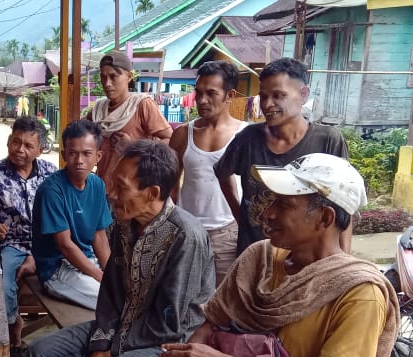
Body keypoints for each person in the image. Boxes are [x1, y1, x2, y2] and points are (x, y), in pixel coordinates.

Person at [91, 153, 398, 357]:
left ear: (325, 219)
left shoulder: (359, 295)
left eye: (285, 205)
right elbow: (209, 328)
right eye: (272, 201)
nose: (269, 213)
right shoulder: (260, 258)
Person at [27, 140, 216, 357]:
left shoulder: (185, 235)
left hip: (170, 346)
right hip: (122, 328)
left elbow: (170, 323)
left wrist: (110, 351)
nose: (110, 193)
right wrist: (102, 345)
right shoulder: (124, 224)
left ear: (153, 193)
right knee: (41, 354)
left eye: (120, 186)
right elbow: (112, 292)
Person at [215, 57, 352, 256]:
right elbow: (222, 173)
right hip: (256, 255)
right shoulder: (249, 139)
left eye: (278, 95)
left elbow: (343, 202)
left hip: (307, 257)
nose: (268, 104)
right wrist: (242, 217)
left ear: (303, 95)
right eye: (263, 96)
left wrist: (344, 256)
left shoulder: (328, 141)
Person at [0, 116, 56, 357]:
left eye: (28, 145)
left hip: (48, 244)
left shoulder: (51, 174)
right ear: (8, 141)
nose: (20, 149)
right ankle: (12, 330)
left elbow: (63, 215)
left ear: (40, 149)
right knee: (3, 283)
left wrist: (36, 257)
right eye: (16, 142)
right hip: (12, 245)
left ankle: (70, 339)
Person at [170, 61, 249, 284]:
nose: (202, 100)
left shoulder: (245, 136)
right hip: (187, 230)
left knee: (221, 300)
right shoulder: (183, 134)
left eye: (211, 93)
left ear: (230, 95)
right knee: (184, 294)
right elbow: (170, 187)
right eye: (198, 92)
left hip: (227, 233)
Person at [31, 120, 112, 310]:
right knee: (113, 305)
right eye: (73, 153)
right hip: (57, 270)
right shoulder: (52, 190)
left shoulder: (97, 185)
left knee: (130, 292)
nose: (79, 160)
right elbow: (65, 246)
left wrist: (110, 276)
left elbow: (100, 237)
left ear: (98, 156)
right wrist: (101, 278)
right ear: (64, 155)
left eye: (86, 153)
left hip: (87, 262)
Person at [85, 51, 172, 186]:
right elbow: (78, 135)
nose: (107, 83)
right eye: (103, 77)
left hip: (134, 188)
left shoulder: (142, 105)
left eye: (113, 77)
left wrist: (135, 147)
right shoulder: (98, 110)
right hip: (103, 187)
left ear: (129, 76)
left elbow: (171, 140)